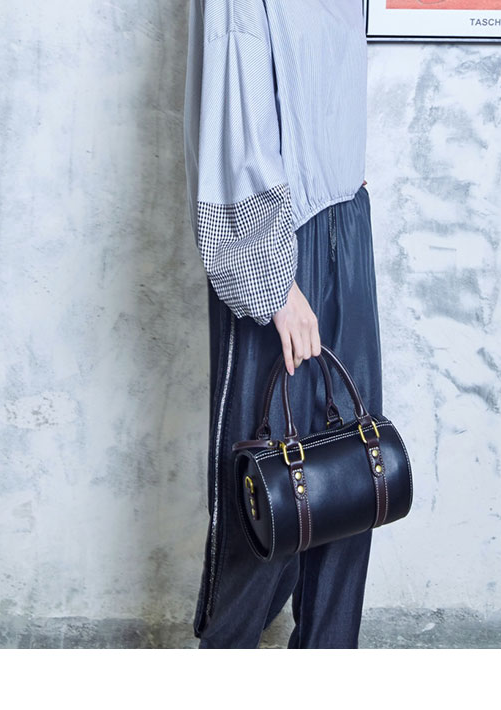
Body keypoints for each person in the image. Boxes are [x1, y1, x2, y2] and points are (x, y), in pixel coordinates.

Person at [183, 0, 383, 648]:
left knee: (350, 483)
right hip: (281, 240)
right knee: (265, 496)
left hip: (347, 216)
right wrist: (274, 281)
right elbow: (234, 110)